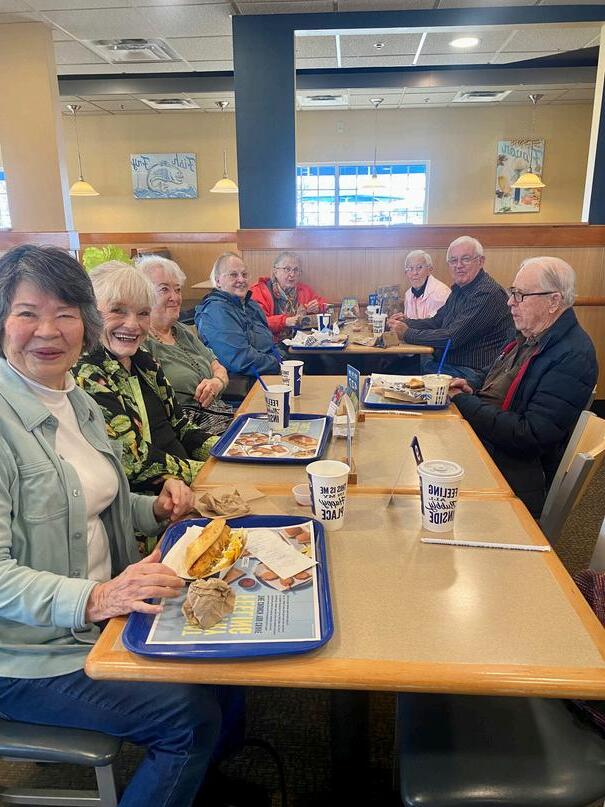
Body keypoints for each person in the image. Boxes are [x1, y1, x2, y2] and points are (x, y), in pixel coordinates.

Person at [0, 244, 221, 807]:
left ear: (84, 324)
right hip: (29, 655)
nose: (48, 330)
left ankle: (198, 784)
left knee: (224, 655)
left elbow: (97, 507)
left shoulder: (76, 401)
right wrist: (99, 597)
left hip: (104, 611)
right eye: (27, 313)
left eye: (65, 313)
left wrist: (155, 509)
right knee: (189, 718)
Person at [449, 256, 597, 517]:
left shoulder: (572, 356)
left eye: (520, 295)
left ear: (554, 301)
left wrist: (463, 402)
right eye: (512, 293)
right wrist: (469, 385)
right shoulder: (531, 336)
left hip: (515, 474)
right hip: (490, 443)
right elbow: (493, 376)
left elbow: (529, 436)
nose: (510, 302)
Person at [74, 261, 216, 494]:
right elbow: (135, 463)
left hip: (190, 485)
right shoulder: (87, 374)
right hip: (153, 503)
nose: (133, 325)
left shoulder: (144, 361)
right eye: (118, 310)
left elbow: (182, 428)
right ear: (91, 313)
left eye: (143, 313)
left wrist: (230, 451)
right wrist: (213, 473)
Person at [387, 236, 515, 386]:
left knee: (393, 374)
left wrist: (407, 333)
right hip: (448, 363)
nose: (458, 265)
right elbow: (437, 321)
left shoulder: (486, 293)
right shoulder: (459, 289)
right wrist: (404, 323)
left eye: (466, 259)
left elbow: (452, 338)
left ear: (481, 261)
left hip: (471, 374)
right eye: (453, 261)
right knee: (389, 367)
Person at [137, 255, 233, 434]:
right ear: (143, 295)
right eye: (164, 289)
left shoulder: (181, 330)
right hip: (192, 434)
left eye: (178, 289)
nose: (175, 297)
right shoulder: (141, 342)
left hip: (223, 419)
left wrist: (217, 382)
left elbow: (218, 367)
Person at [194, 252, 281, 379]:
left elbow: (270, 344)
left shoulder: (251, 305)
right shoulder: (216, 311)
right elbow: (240, 359)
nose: (241, 280)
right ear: (218, 281)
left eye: (244, 275)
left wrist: (283, 359)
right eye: (233, 275)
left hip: (269, 373)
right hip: (244, 383)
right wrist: (279, 364)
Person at [250, 252, 327, 341]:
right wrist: (286, 321)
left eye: (296, 270)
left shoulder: (304, 290)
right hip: (271, 344)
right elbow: (259, 322)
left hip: (299, 341)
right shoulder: (259, 291)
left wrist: (317, 308)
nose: (292, 274)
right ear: (275, 271)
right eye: (287, 269)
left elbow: (324, 305)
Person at [401, 250, 450, 319]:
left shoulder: (441, 293)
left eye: (419, 267)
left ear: (429, 269)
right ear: (406, 272)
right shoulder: (408, 294)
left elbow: (436, 323)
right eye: (410, 268)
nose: (415, 273)